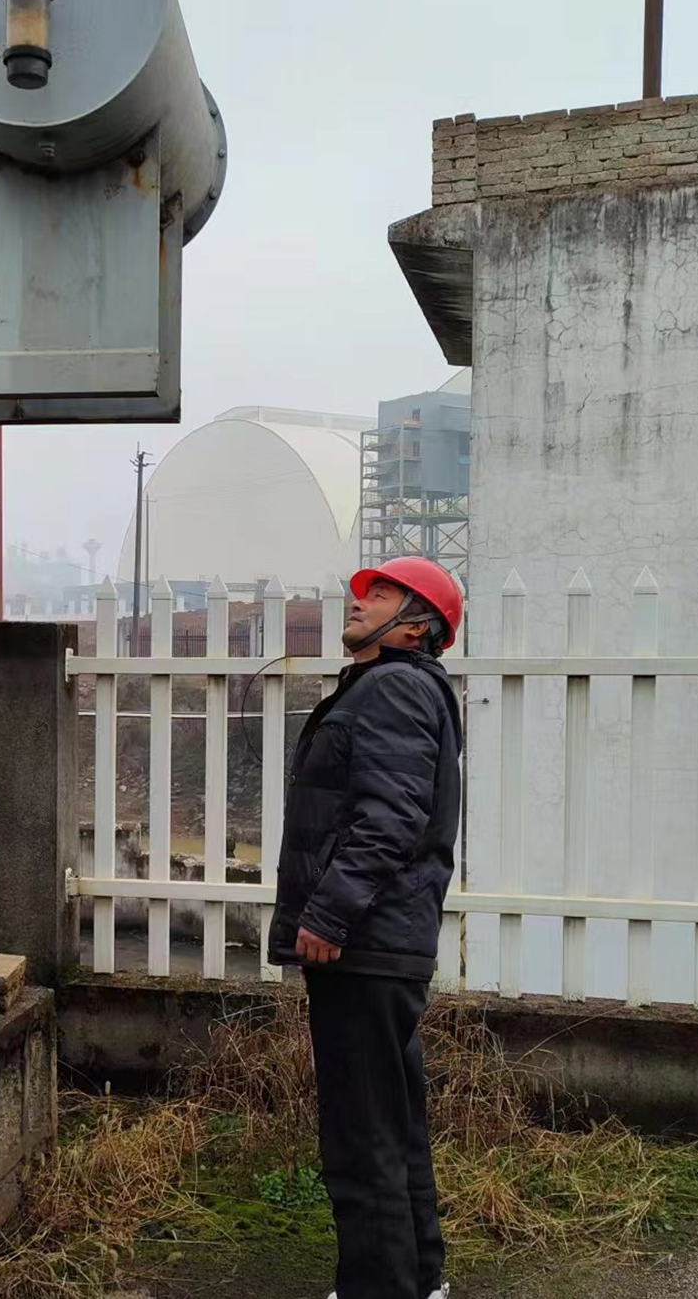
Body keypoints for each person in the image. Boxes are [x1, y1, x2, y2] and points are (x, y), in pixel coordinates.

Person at [268, 557, 464, 1299]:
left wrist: (328, 914)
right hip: (382, 945)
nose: (358, 603)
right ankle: (418, 1280)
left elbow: (388, 820)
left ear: (415, 625)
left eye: (379, 595)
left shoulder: (393, 690)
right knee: (392, 1123)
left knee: (361, 1135)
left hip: (364, 944)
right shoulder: (399, 689)